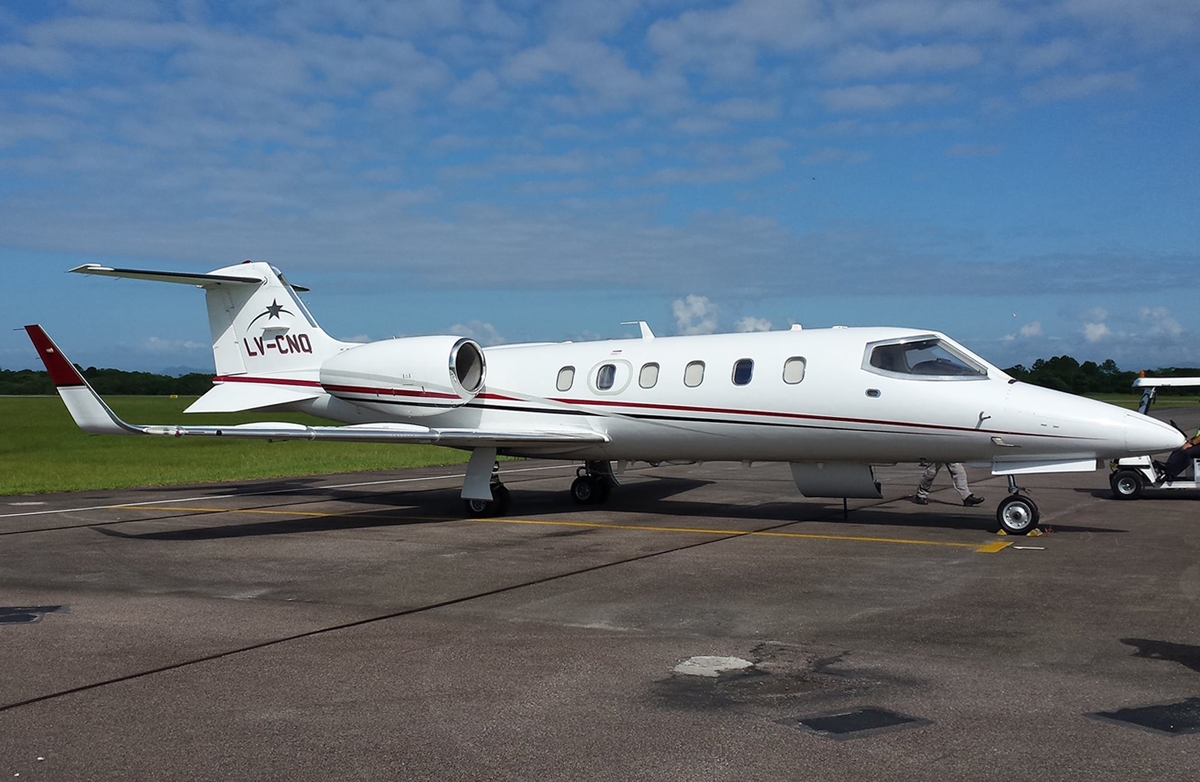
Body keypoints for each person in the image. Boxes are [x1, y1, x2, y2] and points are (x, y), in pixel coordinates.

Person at [913, 462, 985, 506]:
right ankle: (921, 494)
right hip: (937, 446)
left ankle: (966, 496)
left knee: (958, 470)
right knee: (931, 471)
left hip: (950, 449)